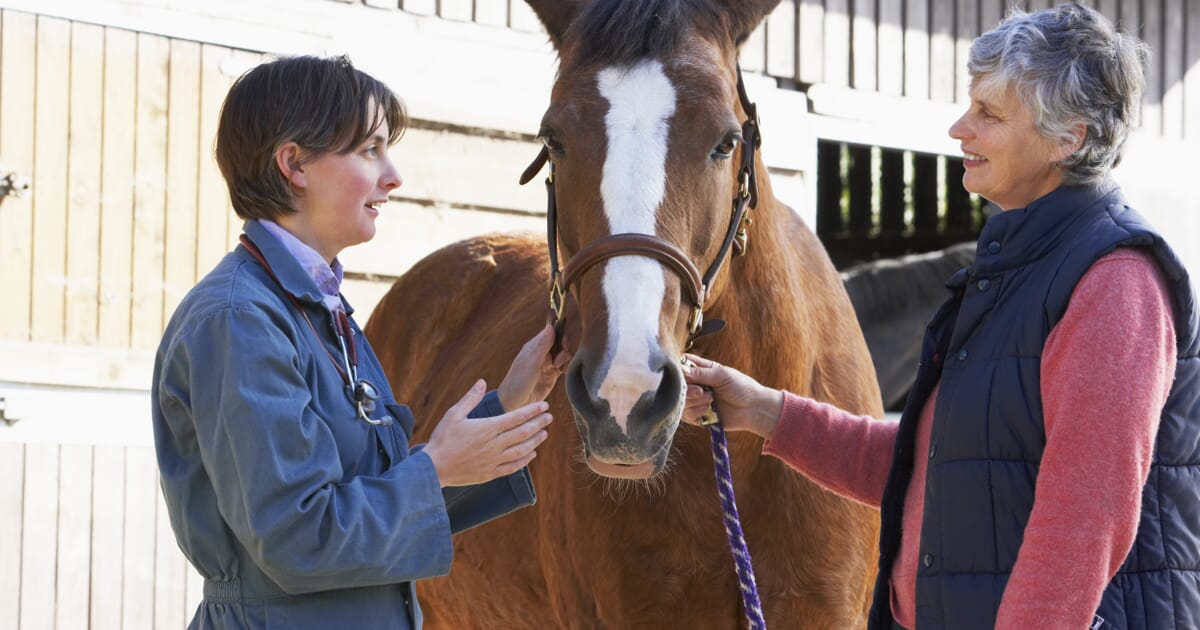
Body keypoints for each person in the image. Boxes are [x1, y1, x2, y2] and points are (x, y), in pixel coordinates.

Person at [683, 4, 1199, 629]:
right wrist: (763, 411)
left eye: (990, 114)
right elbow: (931, 471)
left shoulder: (1114, 284)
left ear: (1072, 137)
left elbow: (1084, 521)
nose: (960, 128)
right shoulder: (1016, 271)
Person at [152, 55, 567, 629]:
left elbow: (369, 507)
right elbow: (298, 539)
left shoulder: (321, 307)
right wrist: (438, 468)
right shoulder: (238, 321)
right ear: (293, 163)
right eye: (370, 149)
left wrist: (512, 401)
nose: (392, 176)